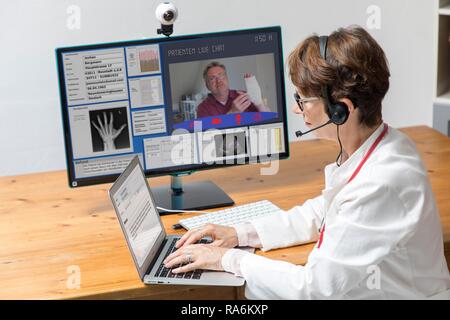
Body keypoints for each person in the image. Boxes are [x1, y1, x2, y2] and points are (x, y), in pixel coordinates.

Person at [164, 25, 450, 299]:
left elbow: (312, 289)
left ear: (341, 109)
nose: (296, 108)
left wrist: (227, 258)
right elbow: (327, 211)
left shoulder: (382, 182)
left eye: (303, 100)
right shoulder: (381, 144)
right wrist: (240, 233)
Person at [196, 61, 271, 118]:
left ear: (227, 78)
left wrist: (259, 102)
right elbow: (208, 135)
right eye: (212, 78)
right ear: (207, 86)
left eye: (221, 75)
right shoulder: (203, 108)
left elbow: (269, 118)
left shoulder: (243, 96)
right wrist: (232, 113)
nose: (218, 80)